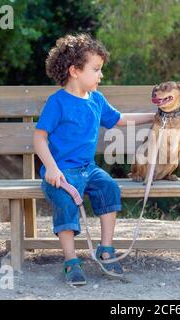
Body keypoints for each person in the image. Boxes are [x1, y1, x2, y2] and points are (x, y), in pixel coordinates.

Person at [34, 33, 154, 285]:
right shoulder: (57, 102)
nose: (101, 75)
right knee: (65, 202)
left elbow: (119, 119)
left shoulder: (96, 100)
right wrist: (52, 169)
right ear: (75, 71)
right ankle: (70, 261)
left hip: (88, 169)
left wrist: (155, 116)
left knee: (109, 187)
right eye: (96, 70)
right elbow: (39, 139)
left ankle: (106, 249)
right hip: (62, 172)